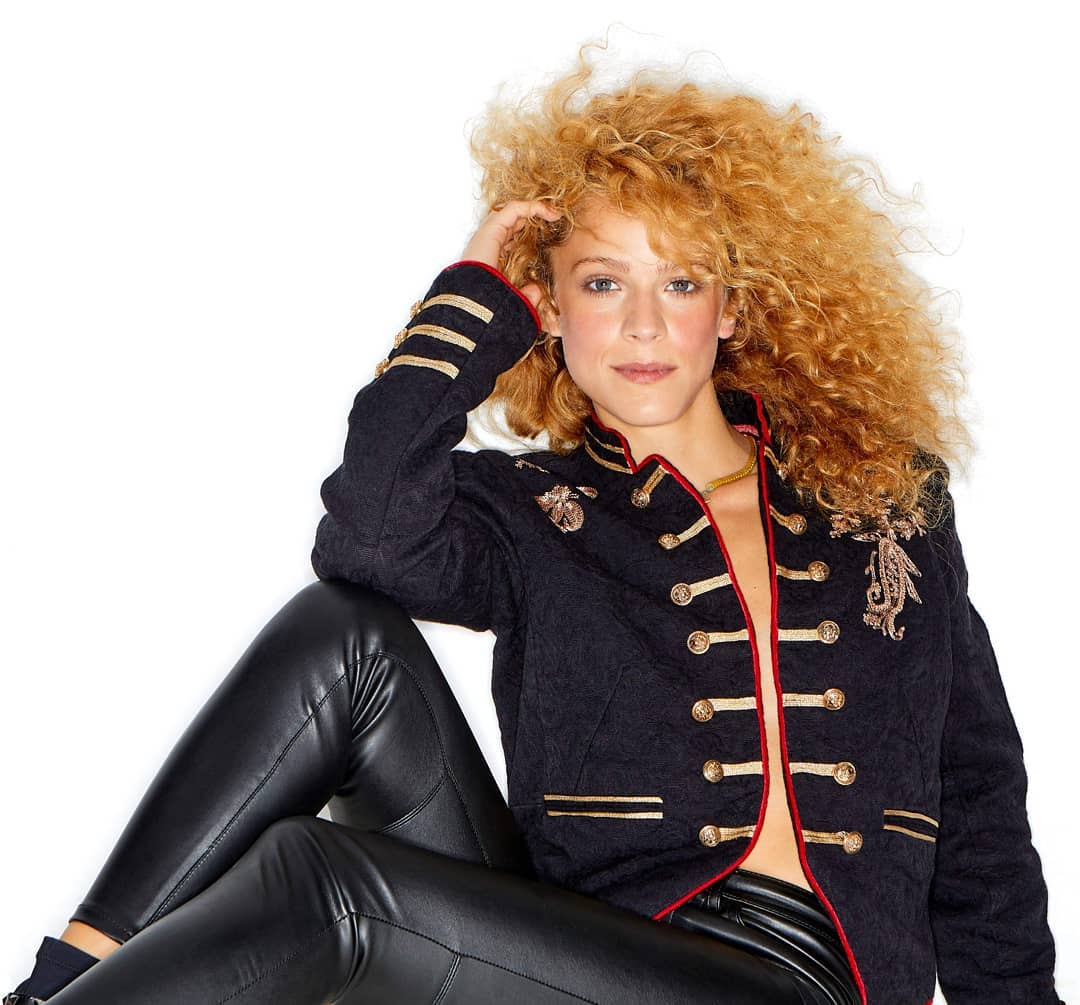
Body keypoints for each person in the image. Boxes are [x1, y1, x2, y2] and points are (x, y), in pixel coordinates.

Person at [4, 42, 1063, 1005]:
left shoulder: (881, 502)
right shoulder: (534, 513)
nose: (642, 324)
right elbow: (367, 537)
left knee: (326, 886)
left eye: (680, 282)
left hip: (798, 986)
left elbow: (978, 796)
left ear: (731, 307)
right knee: (340, 636)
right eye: (602, 283)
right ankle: (59, 985)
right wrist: (473, 298)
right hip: (571, 959)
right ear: (548, 310)